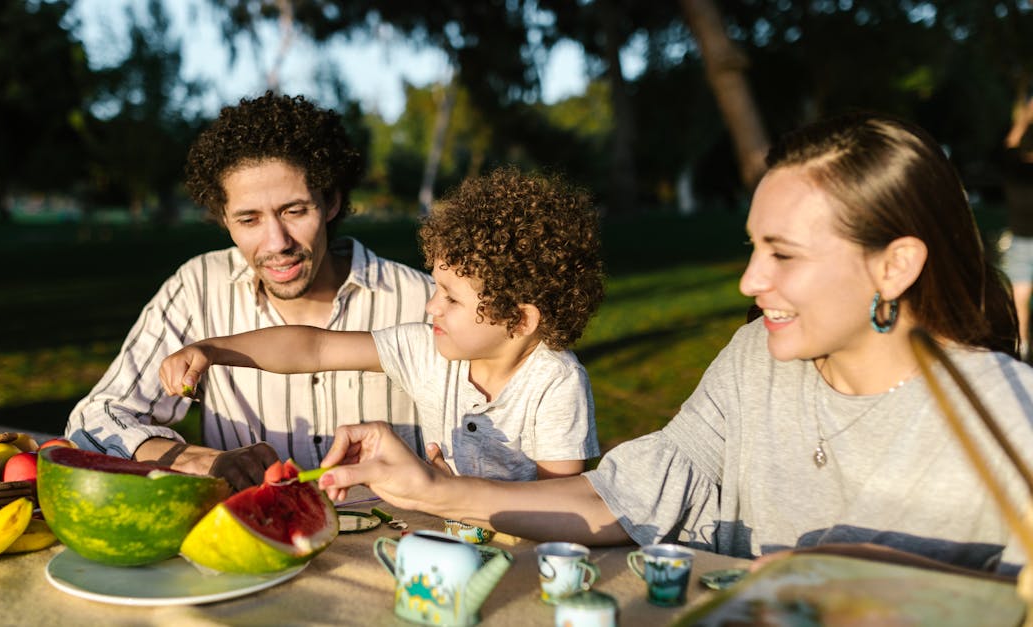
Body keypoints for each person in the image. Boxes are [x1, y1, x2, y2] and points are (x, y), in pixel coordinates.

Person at [316, 112, 1033, 576]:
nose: (751, 279)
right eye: (753, 248)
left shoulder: (1009, 415)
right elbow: (631, 493)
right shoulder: (755, 359)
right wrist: (435, 490)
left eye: (783, 255)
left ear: (895, 264)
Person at [64, 92, 434, 489]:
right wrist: (201, 460)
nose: (276, 243)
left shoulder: (420, 301)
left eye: (294, 211)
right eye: (249, 219)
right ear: (224, 218)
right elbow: (95, 421)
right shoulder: (198, 288)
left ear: (330, 202)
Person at [161, 167, 607, 481]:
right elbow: (312, 349)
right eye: (436, 288)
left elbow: (559, 502)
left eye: (451, 298)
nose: (431, 306)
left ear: (521, 319)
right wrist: (213, 350)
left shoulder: (556, 382)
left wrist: (454, 495)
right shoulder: (427, 350)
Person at [1002, 96, 1033, 361]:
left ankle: (1022, 352)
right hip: (1023, 242)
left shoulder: (1013, 173)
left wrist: (1025, 117)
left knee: (1019, 301)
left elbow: (1009, 144)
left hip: (1021, 242)